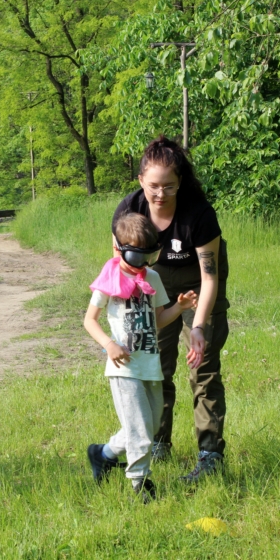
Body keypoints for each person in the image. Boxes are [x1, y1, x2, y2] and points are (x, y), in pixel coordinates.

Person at [113, 135, 230, 482]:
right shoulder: (128, 211)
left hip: (198, 285)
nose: (160, 194)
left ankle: (210, 456)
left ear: (180, 182)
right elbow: (120, 270)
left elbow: (210, 279)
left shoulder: (199, 214)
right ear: (140, 182)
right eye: (153, 186)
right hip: (154, 283)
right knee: (154, 366)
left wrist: (197, 326)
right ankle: (157, 442)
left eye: (169, 186)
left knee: (203, 368)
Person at [84, 212, 198, 502]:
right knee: (141, 434)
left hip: (150, 365)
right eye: (136, 257)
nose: (143, 264)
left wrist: (180, 307)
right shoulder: (110, 277)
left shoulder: (152, 277)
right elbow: (89, 320)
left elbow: (158, 320)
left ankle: (103, 454)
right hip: (124, 368)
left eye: (151, 256)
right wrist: (109, 345)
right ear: (119, 249)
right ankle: (140, 483)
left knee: (147, 425)